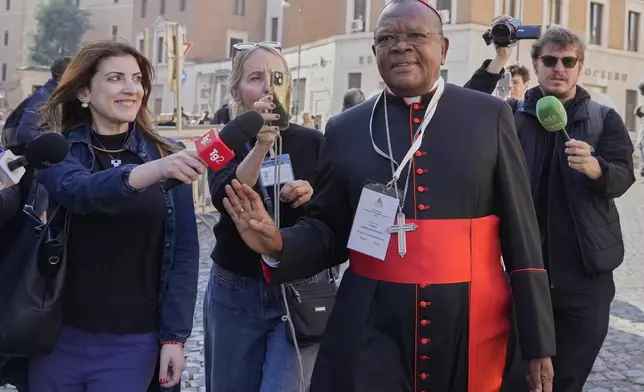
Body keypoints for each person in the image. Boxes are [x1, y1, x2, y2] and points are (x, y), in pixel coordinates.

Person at [220, 1, 556, 391]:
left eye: (416, 35)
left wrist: (538, 343)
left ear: (443, 49)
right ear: (374, 51)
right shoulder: (346, 127)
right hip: (371, 326)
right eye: (387, 38)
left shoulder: (489, 115)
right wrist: (277, 243)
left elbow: (522, 236)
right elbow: (329, 230)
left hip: (469, 319)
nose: (401, 46)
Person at [465, 23, 635, 392]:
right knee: (513, 380)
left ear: (580, 66)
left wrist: (597, 170)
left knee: (568, 380)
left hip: (584, 277)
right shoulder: (508, 117)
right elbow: (461, 113)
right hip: (520, 277)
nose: (559, 67)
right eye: (550, 60)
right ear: (536, 64)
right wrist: (500, 57)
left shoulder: (604, 119)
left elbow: (624, 177)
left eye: (568, 61)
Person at [31, 40, 205, 392]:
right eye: (115, 78)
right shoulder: (58, 149)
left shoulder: (165, 156)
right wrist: (153, 171)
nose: (131, 89)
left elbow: (184, 253)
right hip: (56, 336)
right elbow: (82, 193)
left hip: (133, 341)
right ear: (84, 91)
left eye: (137, 79)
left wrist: (174, 338)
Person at [204, 42, 326, 392]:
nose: (268, 87)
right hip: (236, 285)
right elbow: (224, 194)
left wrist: (310, 193)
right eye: (256, 78)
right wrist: (259, 145)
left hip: (298, 285)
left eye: (277, 77)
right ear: (237, 92)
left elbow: (331, 205)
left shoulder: (314, 141)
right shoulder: (220, 141)